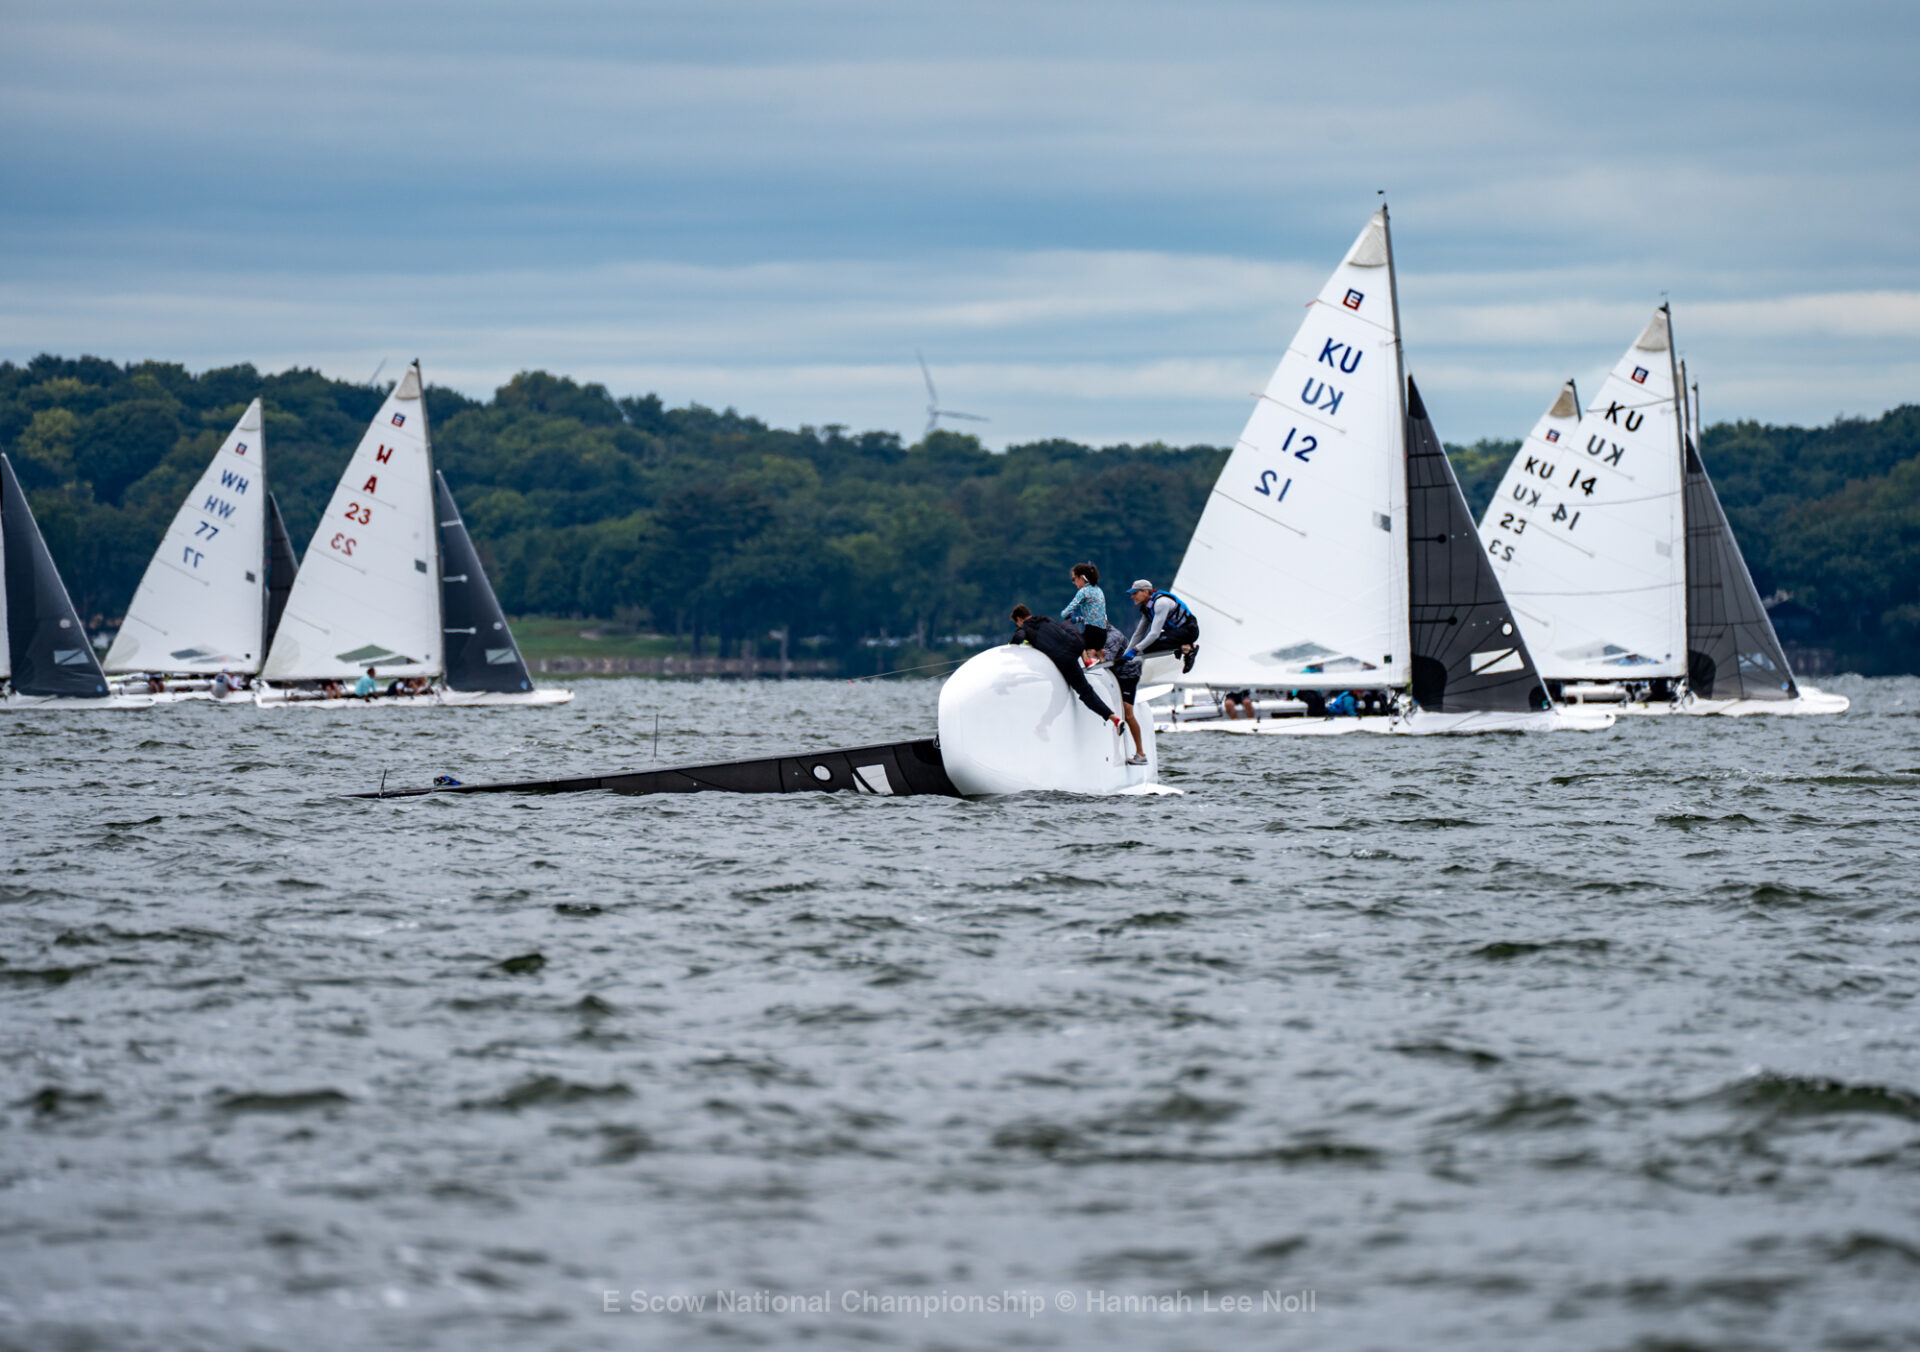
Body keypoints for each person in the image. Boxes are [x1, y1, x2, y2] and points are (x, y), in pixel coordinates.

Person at [1010, 605, 1122, 729]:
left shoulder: (1025, 628)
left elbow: (1018, 637)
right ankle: (1087, 659)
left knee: (1085, 692)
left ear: (1019, 619)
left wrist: (1011, 646)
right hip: (1076, 644)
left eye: (1016, 624)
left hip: (1065, 659)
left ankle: (1115, 719)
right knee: (1066, 624)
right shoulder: (1044, 619)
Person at [1090, 625, 1148, 763]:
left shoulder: (1113, 636)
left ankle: (1141, 754)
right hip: (1116, 674)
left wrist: (1095, 654)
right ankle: (1116, 753)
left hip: (1129, 674)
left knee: (1127, 714)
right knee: (1116, 713)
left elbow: (1106, 661)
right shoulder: (1096, 636)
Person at [1124, 580, 1200, 673]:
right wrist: (1125, 655)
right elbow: (1138, 634)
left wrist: (1135, 650)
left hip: (1189, 631)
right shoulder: (1147, 608)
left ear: (1146, 592)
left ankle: (1188, 649)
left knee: (1149, 644)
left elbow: (1154, 634)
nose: (1132, 596)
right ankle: (1183, 647)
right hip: (1177, 633)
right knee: (1146, 646)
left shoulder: (1161, 603)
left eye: (1135, 593)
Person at [1061, 562, 1108, 659]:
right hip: (1103, 634)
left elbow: (1066, 612)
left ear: (1081, 577)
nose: (1073, 582)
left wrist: (1064, 614)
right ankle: (1099, 654)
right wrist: (1077, 619)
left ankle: (1088, 661)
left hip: (1091, 633)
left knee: (1075, 645)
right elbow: (1093, 616)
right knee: (1090, 645)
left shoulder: (1083, 591)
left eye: (1074, 579)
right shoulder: (1098, 590)